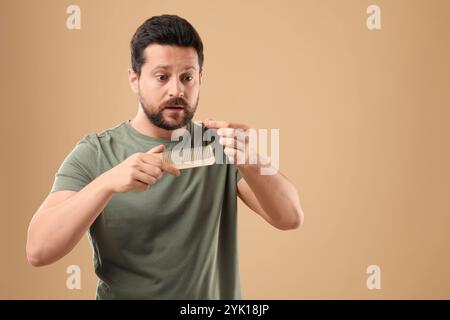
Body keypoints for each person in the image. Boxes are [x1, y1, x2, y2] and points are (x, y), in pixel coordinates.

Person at [26, 14, 304, 299]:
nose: (176, 90)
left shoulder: (221, 146)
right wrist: (106, 183)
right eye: (161, 77)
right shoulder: (96, 152)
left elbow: (290, 217)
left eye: (187, 77)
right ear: (134, 80)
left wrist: (253, 161)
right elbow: (38, 250)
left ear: (200, 79)